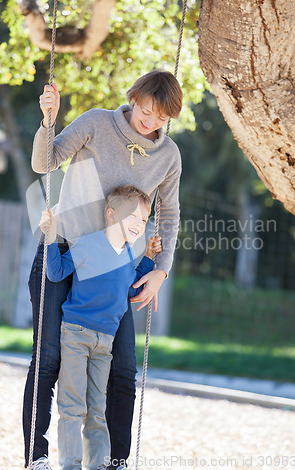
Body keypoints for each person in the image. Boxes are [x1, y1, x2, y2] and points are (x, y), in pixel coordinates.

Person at [23, 70, 183, 470]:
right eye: (146, 111)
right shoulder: (96, 122)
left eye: (161, 118)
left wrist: (161, 270)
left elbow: (169, 214)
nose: (150, 122)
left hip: (116, 269)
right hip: (66, 252)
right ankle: (37, 457)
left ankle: (114, 460)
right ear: (133, 98)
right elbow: (46, 162)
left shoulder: (168, 156)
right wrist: (48, 121)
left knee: (123, 369)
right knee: (47, 360)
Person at [39, 185, 162, 470]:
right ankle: (70, 465)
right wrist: (49, 236)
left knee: (97, 409)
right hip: (76, 334)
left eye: (143, 220)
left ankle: (96, 465)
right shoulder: (87, 244)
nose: (139, 225)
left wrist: (149, 260)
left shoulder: (129, 254)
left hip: (105, 341)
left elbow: (129, 290)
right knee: (72, 405)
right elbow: (56, 272)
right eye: (132, 216)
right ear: (111, 214)